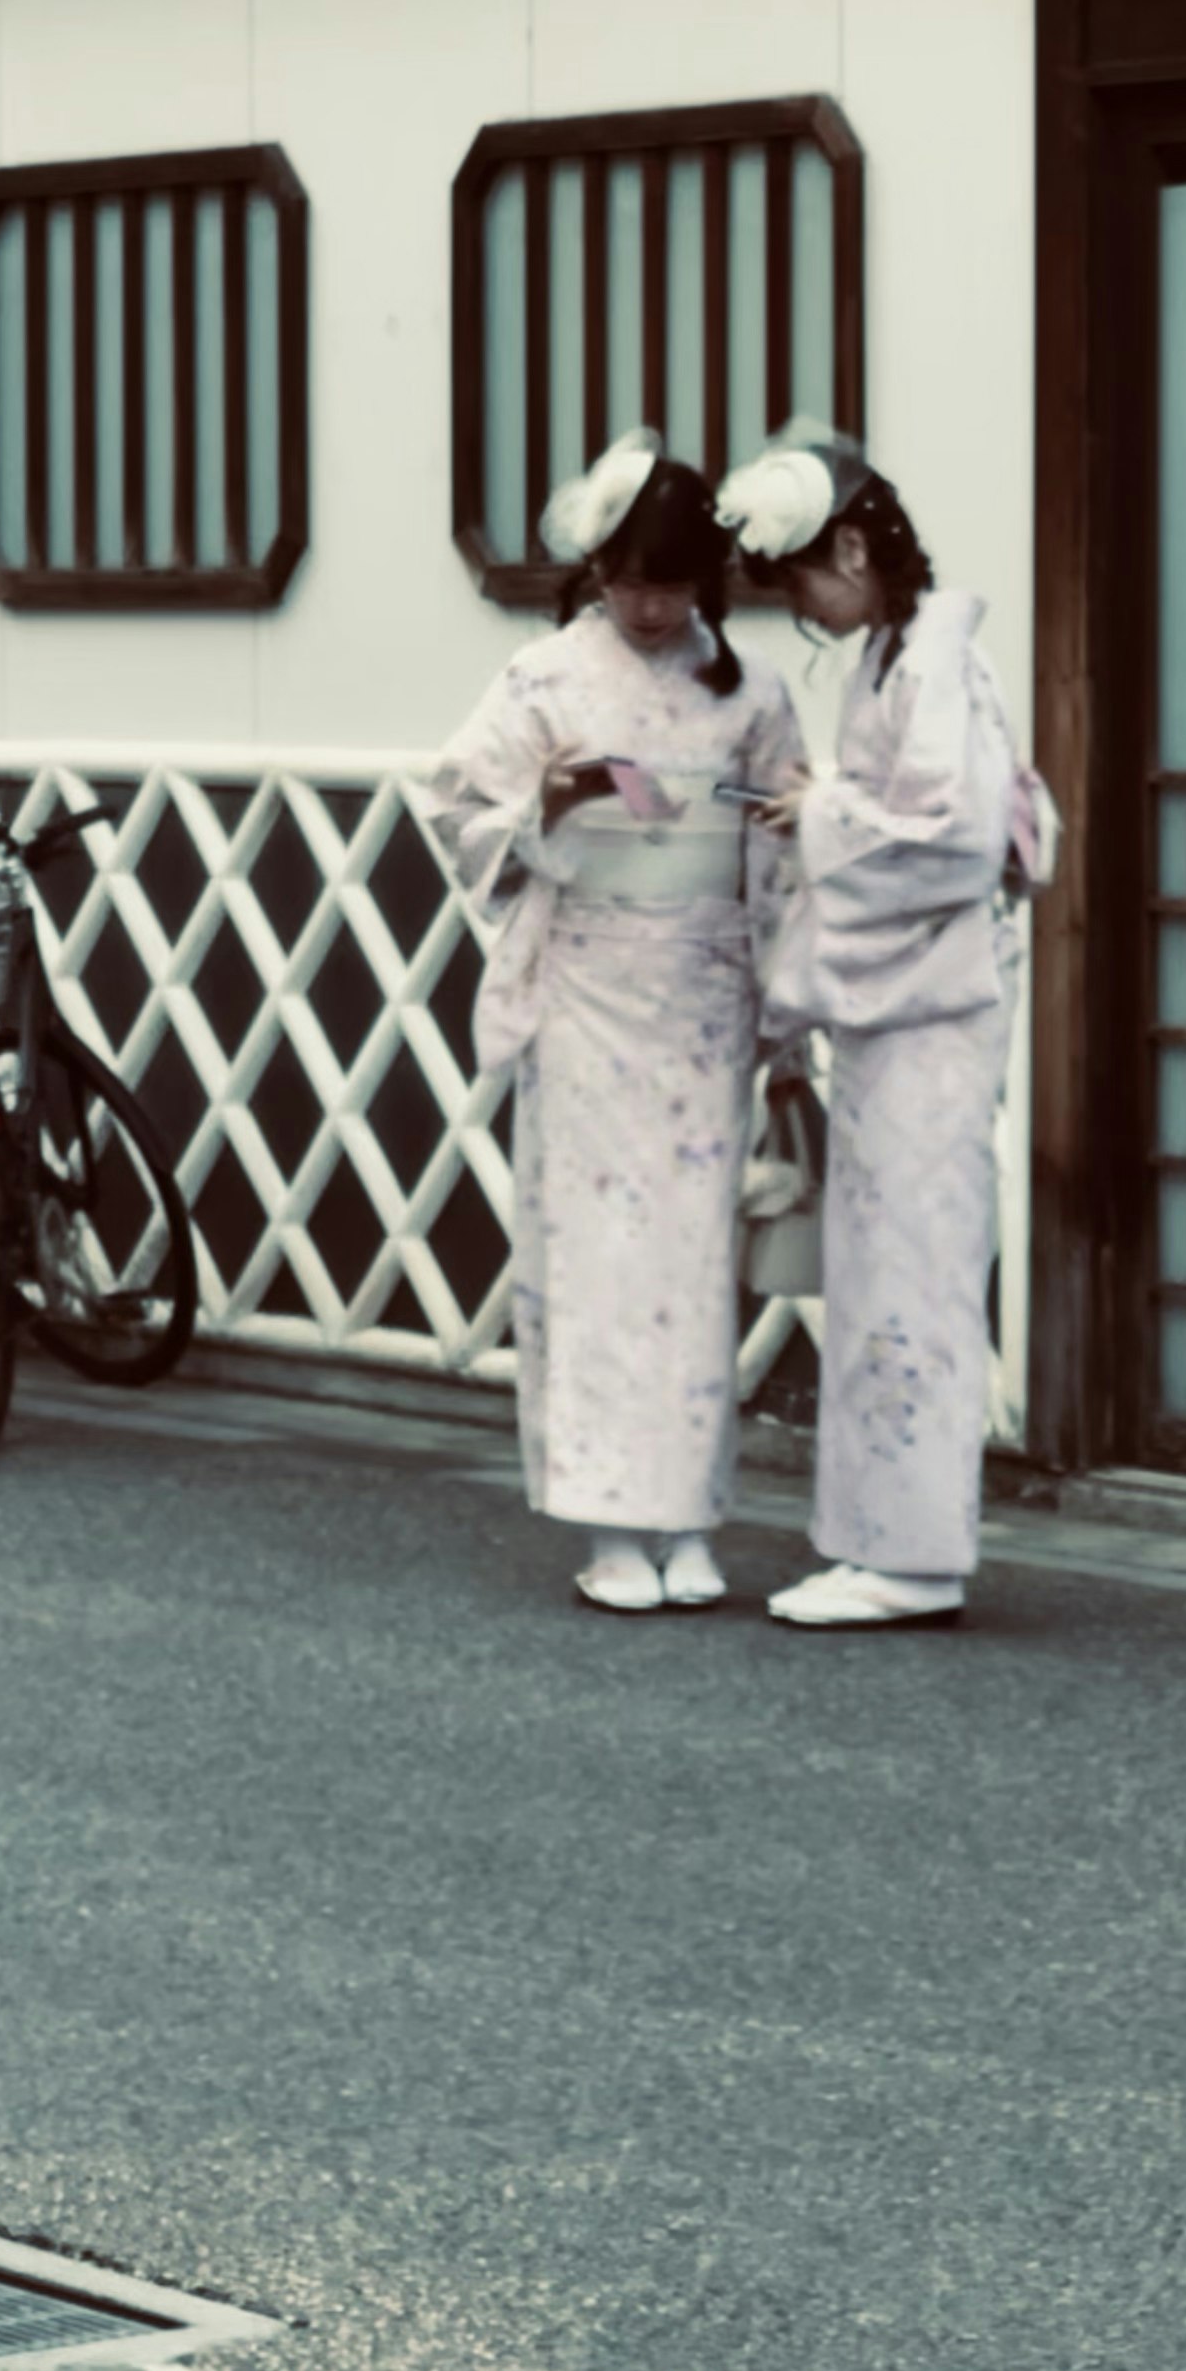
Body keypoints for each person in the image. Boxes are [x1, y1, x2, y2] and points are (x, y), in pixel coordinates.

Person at [427, 429, 805, 1614]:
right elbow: (456, 803)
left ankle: (687, 1517)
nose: (651, 608)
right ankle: (606, 1522)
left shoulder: (747, 691)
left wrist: (785, 1009)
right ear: (594, 571)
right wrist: (554, 794)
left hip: (703, 993)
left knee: (691, 1267)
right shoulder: (545, 681)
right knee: (595, 1267)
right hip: (590, 991)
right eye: (633, 583)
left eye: (675, 585)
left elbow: (784, 847)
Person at [717, 424, 1035, 1631]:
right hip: (901, 1014)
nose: (796, 599)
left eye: (800, 574)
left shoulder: (936, 663)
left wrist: (820, 808)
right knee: (883, 1271)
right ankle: (880, 1539)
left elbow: (946, 840)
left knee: (914, 1273)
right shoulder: (895, 659)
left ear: (853, 546)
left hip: (929, 1015)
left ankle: (911, 1551)